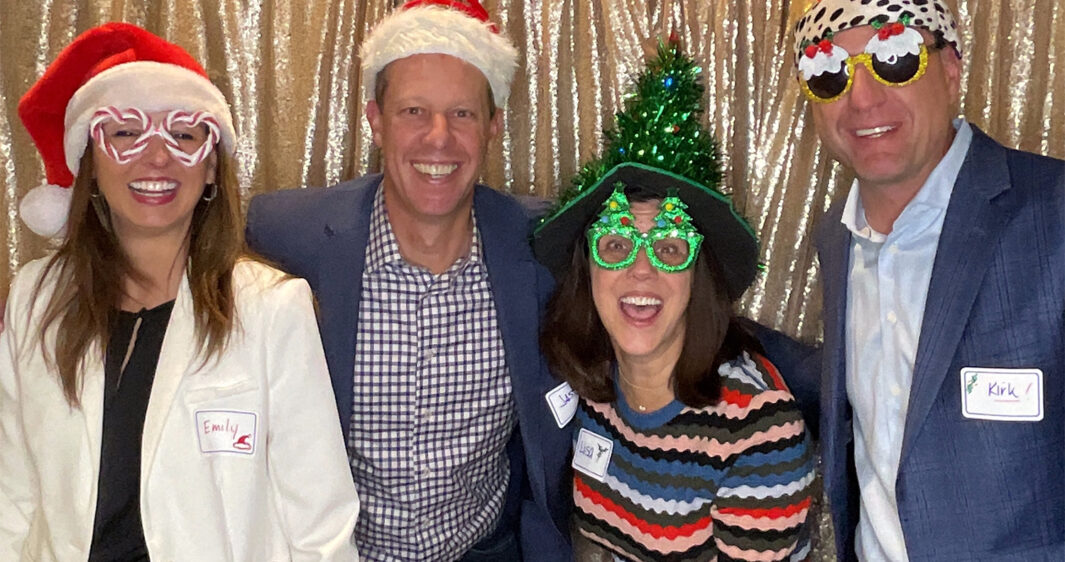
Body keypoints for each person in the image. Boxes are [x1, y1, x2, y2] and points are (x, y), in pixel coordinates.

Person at [0, 23, 360, 560]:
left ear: (212, 165)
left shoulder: (270, 308)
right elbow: (13, 495)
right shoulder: (36, 299)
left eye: (184, 135)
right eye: (125, 133)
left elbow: (320, 525)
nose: (157, 157)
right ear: (90, 163)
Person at [244, 1, 570, 560]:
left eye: (463, 114)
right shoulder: (284, 234)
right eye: (414, 111)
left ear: (493, 125)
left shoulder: (542, 245)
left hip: (484, 550)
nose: (438, 138)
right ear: (375, 119)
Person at [787, 0, 1065, 559]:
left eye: (894, 57)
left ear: (951, 67)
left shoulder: (1052, 213)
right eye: (827, 71)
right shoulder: (837, 239)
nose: (861, 98)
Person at [532, 40, 813, 561]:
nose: (642, 269)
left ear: (697, 275)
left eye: (668, 248)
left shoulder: (759, 428)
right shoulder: (587, 383)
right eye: (616, 245)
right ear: (587, 268)